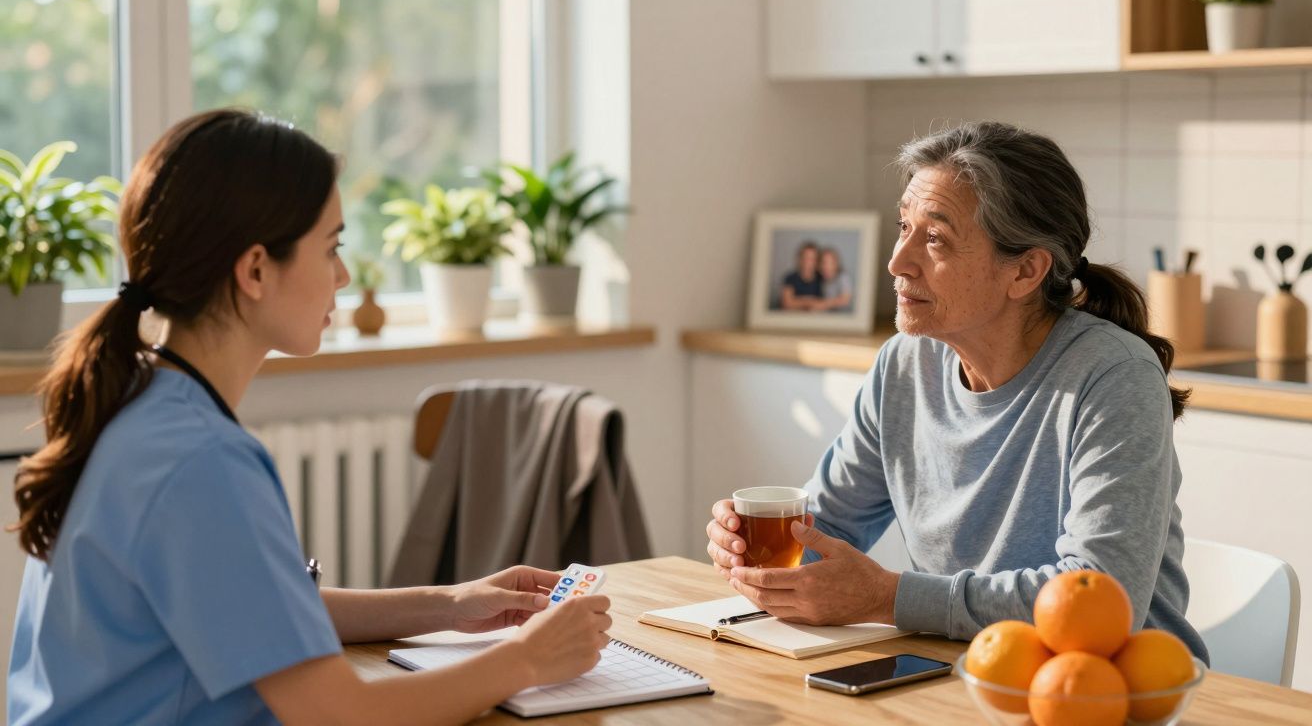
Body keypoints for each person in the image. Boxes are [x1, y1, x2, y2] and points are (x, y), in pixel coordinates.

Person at [6, 109, 612, 726]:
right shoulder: (201, 461)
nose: (344, 276)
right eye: (332, 248)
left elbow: (257, 612)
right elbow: (338, 715)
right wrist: (528, 660)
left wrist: (452, 604)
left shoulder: (140, 404)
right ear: (256, 269)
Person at [705, 121, 1208, 662]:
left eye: (936, 238)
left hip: (1118, 692)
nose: (898, 262)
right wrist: (753, 547)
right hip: (965, 670)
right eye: (904, 226)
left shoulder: (1113, 376)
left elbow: (1100, 597)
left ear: (1026, 271)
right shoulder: (905, 364)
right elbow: (821, 536)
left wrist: (888, 597)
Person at [778, 241, 823, 310]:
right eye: (805, 257)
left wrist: (797, 302)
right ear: (799, 259)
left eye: (812, 259)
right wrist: (810, 301)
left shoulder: (821, 278)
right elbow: (786, 304)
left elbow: (824, 304)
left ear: (817, 261)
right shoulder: (790, 278)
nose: (807, 262)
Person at [817, 248, 853, 312]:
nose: (826, 267)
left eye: (830, 263)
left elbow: (845, 300)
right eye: (823, 263)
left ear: (836, 264)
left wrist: (823, 304)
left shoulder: (843, 277)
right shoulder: (822, 281)